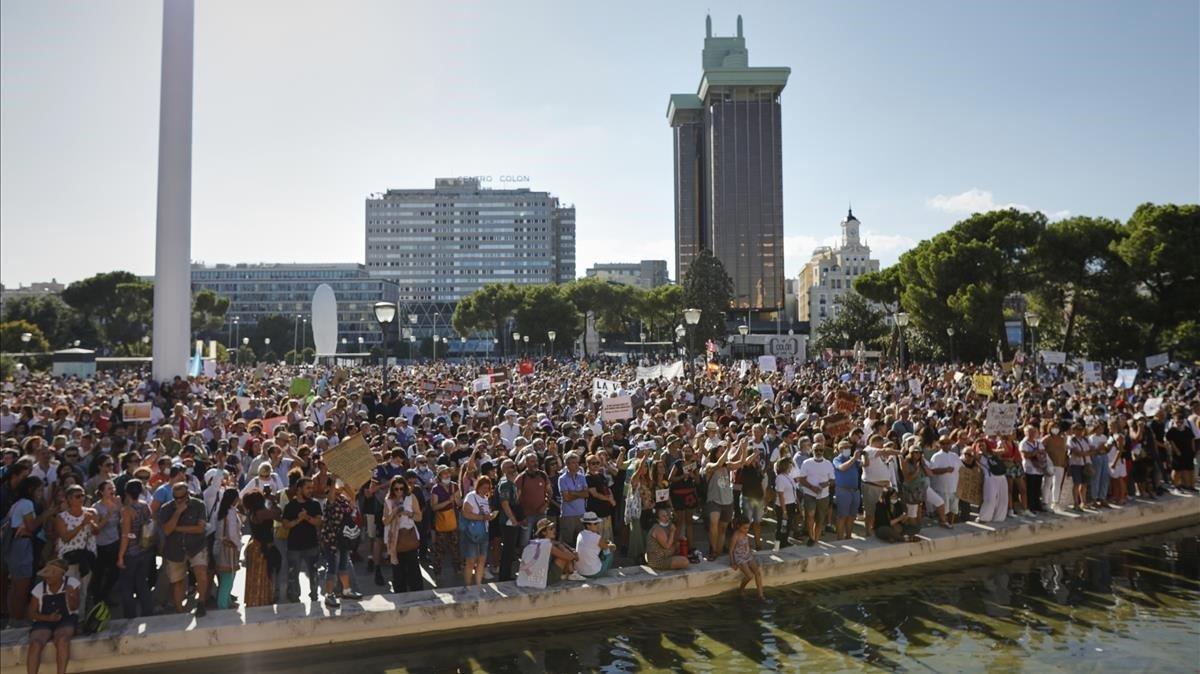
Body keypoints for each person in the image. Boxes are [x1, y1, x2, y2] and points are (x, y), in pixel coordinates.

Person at [157, 480, 210, 616]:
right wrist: (178, 513)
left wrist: (178, 528)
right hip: (175, 549)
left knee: (201, 573)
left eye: (182, 497)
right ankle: (179, 610)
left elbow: (200, 528)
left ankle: (201, 602)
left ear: (188, 494)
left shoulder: (198, 505)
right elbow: (167, 531)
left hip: (196, 546)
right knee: (177, 581)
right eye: (176, 498)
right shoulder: (166, 509)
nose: (179, 500)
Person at [26, 559, 79, 674]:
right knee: (35, 643)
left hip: (66, 619)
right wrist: (48, 618)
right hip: (43, 620)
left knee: (62, 640)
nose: (47, 577)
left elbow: (74, 607)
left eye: (51, 574)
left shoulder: (72, 583)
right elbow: (31, 613)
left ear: (61, 575)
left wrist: (70, 595)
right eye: (47, 574)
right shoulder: (39, 588)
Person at [7, 476, 46, 623]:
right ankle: (19, 619)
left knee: (15, 587)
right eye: (39, 490)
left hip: (16, 548)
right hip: (21, 547)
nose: (41, 493)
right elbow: (31, 526)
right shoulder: (27, 504)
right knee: (22, 588)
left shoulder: (17, 504)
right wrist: (46, 513)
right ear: (31, 490)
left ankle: (13, 617)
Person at [319, 480, 363, 607]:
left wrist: (344, 482)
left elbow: (353, 496)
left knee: (344, 565)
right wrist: (333, 480)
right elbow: (332, 496)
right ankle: (329, 595)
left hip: (344, 538)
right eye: (334, 486)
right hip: (331, 539)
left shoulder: (343, 500)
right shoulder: (329, 501)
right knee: (332, 567)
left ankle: (347, 590)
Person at [115, 480, 154, 619]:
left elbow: (125, 535)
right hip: (145, 549)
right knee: (142, 582)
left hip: (130, 552)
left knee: (127, 586)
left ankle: (130, 615)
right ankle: (147, 612)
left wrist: (120, 556)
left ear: (126, 493)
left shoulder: (126, 511)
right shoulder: (145, 506)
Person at [281, 476, 323, 603]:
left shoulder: (315, 504)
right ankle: (294, 597)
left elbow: (319, 522)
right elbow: (286, 525)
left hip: (312, 545)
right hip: (294, 547)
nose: (311, 490)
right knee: (293, 574)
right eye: (308, 488)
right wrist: (299, 519)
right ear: (299, 489)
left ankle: (314, 595)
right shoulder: (290, 506)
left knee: (314, 573)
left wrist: (307, 518)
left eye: (312, 488)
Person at [241, 490, 280, 607]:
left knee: (258, 575)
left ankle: (255, 600)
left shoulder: (253, 512)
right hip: (260, 548)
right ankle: (260, 600)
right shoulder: (260, 513)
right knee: (262, 575)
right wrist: (273, 501)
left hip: (256, 546)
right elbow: (277, 512)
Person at [384, 476, 422, 593]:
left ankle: (417, 594)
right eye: (396, 489)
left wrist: (407, 513)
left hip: (408, 535)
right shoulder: (388, 500)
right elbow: (385, 521)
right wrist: (394, 513)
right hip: (394, 539)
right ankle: (400, 595)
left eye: (401, 488)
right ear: (392, 489)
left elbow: (419, 517)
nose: (399, 491)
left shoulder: (411, 498)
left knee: (413, 569)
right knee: (398, 571)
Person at [461, 475, 496, 587]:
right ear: (478, 486)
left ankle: (478, 584)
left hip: (484, 533)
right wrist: (482, 517)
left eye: (487, 488)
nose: (485, 490)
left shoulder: (485, 499)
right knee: (470, 561)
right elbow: (465, 513)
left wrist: (489, 516)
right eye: (483, 487)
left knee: (482, 561)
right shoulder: (471, 496)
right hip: (472, 533)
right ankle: (468, 586)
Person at [797, 446, 835, 546]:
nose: (818, 452)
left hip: (824, 496)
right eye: (816, 450)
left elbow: (832, 480)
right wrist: (812, 487)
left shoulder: (828, 464)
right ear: (812, 451)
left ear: (823, 451)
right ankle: (811, 537)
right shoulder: (807, 463)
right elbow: (801, 479)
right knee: (810, 515)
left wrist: (825, 484)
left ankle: (816, 540)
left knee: (820, 519)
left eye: (820, 450)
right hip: (809, 494)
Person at [428, 465, 462, 579]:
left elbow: (459, 503)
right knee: (440, 548)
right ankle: (437, 571)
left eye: (448, 473)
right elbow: (434, 507)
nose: (447, 475)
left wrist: (457, 500)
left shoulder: (455, 486)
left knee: (455, 546)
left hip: (454, 519)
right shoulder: (436, 488)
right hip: (441, 520)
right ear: (439, 476)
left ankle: (458, 568)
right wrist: (448, 501)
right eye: (444, 473)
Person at [211, 487, 241, 610]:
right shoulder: (231, 513)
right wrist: (238, 545)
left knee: (225, 577)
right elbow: (233, 533)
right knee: (228, 578)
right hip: (229, 548)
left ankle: (227, 601)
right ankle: (223, 604)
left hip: (220, 547)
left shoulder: (221, 511)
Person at [530, 518, 578, 585]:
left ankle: (570, 573)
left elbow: (558, 542)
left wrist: (566, 547)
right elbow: (569, 557)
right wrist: (574, 554)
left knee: (561, 549)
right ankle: (572, 573)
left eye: (553, 528)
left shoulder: (540, 541)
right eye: (551, 529)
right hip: (543, 580)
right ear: (544, 532)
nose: (554, 530)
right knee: (563, 558)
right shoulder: (547, 545)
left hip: (535, 577)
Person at [644, 503, 689, 571]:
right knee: (685, 562)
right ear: (658, 519)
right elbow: (667, 546)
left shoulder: (666, 526)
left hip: (665, 554)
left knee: (678, 545)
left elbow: (672, 541)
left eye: (667, 515)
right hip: (658, 561)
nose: (667, 518)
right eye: (663, 516)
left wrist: (679, 538)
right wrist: (672, 532)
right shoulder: (658, 529)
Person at [729, 515, 763, 600]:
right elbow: (731, 550)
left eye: (748, 528)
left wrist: (750, 551)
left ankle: (761, 595)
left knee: (758, 573)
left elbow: (747, 544)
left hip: (747, 555)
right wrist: (732, 562)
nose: (747, 530)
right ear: (738, 526)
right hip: (740, 557)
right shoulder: (735, 536)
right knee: (749, 576)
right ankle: (741, 589)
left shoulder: (745, 533)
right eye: (744, 528)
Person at [833, 441, 862, 540]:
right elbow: (842, 468)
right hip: (843, 490)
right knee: (842, 515)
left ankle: (848, 536)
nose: (847, 449)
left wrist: (865, 454)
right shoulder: (837, 459)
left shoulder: (853, 460)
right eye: (845, 447)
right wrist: (854, 458)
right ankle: (839, 538)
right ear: (840, 449)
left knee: (852, 515)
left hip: (855, 490)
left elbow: (865, 464)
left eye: (849, 447)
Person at [575, 511, 614, 579]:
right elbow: (607, 547)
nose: (598, 525)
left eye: (597, 523)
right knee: (610, 552)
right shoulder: (596, 537)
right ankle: (604, 572)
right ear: (588, 525)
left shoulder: (580, 534)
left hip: (580, 571)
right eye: (595, 523)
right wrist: (612, 545)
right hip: (594, 573)